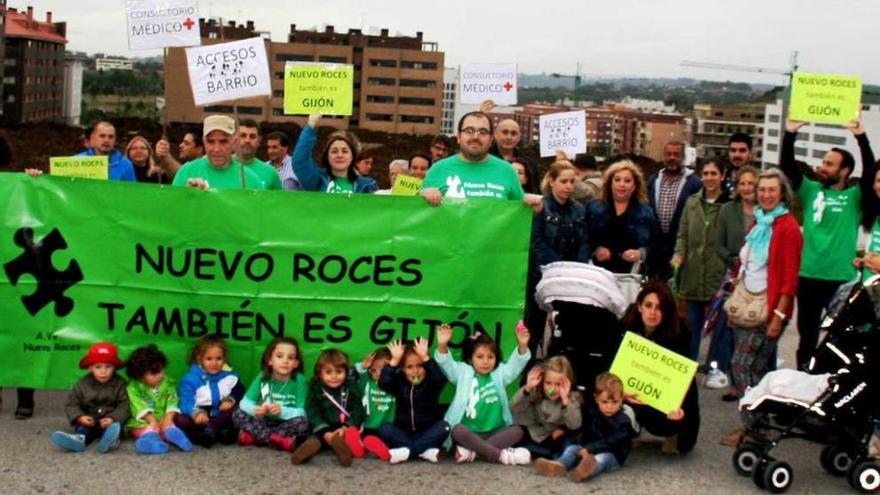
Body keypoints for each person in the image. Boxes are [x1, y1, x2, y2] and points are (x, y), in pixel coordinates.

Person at [782, 118, 875, 370]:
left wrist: (860, 136)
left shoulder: (854, 195)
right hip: (809, 275)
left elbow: (869, 173)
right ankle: (804, 379)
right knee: (807, 337)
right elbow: (788, 167)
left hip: (841, 279)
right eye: (823, 162)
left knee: (840, 338)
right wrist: (790, 133)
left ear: (844, 171)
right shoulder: (810, 190)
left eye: (829, 164)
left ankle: (830, 382)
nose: (822, 167)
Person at [722, 168, 803, 404]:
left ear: (782, 193)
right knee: (753, 370)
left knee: (741, 367)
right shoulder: (758, 223)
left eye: (772, 190)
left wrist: (778, 317)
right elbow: (744, 266)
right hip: (746, 303)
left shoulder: (788, 228)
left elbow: (790, 279)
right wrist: (734, 302)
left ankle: (754, 426)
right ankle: (756, 424)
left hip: (768, 309)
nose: (766, 195)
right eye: (762, 189)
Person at [435, 322, 532, 465]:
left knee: (518, 431)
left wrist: (522, 345)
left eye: (490, 357)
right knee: (456, 430)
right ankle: (499, 455)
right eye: (480, 357)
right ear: (470, 359)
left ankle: (473, 452)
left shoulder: (499, 373)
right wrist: (442, 345)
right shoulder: (462, 372)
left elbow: (514, 367)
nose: (486, 362)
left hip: (494, 431)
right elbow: (446, 364)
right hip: (468, 433)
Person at [622, 281, 700, 454]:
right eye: (648, 305)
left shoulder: (679, 331)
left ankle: (673, 433)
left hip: (662, 392)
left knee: (682, 440)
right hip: (634, 390)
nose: (652, 312)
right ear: (639, 306)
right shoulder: (626, 325)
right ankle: (631, 427)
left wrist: (676, 404)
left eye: (659, 307)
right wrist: (621, 393)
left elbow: (682, 375)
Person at [704, 165, 759, 389]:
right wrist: (735, 261)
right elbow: (719, 244)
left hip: (757, 277)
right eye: (742, 183)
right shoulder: (728, 210)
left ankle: (751, 378)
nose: (746, 188)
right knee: (724, 325)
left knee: (754, 325)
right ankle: (717, 369)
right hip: (733, 274)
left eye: (751, 183)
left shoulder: (765, 213)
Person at [420, 111, 541, 213]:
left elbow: (518, 215)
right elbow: (420, 215)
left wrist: (533, 208)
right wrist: (423, 197)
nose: (475, 137)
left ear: (491, 139)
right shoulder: (438, 169)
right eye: (469, 130)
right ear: (458, 136)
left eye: (483, 132)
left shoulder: (507, 171)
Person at [670, 159, 731, 360]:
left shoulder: (730, 205)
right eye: (705, 173)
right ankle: (690, 364)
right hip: (693, 275)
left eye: (714, 173)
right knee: (692, 326)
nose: (709, 178)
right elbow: (683, 235)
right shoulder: (692, 202)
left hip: (718, 277)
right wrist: (678, 254)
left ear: (722, 176)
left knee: (719, 329)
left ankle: (715, 367)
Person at [528, 161, 589, 350]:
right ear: (552, 181)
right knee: (534, 329)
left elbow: (585, 242)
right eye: (564, 181)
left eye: (572, 181)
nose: (569, 186)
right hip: (542, 278)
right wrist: (558, 267)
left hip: (571, 280)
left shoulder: (579, 209)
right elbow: (535, 241)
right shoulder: (541, 207)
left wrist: (578, 268)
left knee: (565, 331)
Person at [291, 349, 384, 466]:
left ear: (346, 372)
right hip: (323, 426)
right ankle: (309, 448)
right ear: (320, 373)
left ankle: (343, 451)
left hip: (344, 427)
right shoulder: (316, 389)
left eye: (339, 372)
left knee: (349, 437)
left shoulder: (351, 387)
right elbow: (312, 411)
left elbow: (358, 410)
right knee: (315, 437)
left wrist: (346, 427)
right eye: (328, 372)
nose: (334, 376)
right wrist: (325, 432)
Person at [377, 338, 450, 463]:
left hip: (427, 431)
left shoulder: (431, 382)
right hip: (403, 432)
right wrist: (394, 361)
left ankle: (407, 451)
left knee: (444, 427)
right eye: (409, 367)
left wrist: (425, 357)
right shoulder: (399, 381)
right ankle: (423, 451)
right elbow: (383, 383)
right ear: (403, 369)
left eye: (420, 366)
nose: (415, 371)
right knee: (384, 428)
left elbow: (440, 378)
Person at [50, 342, 129, 453]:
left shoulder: (121, 384)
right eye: (98, 367)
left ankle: (110, 440)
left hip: (108, 420)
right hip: (89, 419)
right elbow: (72, 404)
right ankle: (78, 441)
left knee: (115, 429)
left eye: (108, 367)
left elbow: (125, 405)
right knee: (82, 430)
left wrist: (113, 418)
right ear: (90, 368)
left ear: (114, 368)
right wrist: (79, 417)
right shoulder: (82, 384)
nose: (103, 371)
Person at [233, 337, 309, 451]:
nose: (285, 361)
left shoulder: (299, 380)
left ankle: (255, 437)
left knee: (303, 423)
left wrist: (282, 411)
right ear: (269, 360)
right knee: (237, 414)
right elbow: (245, 403)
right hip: (263, 420)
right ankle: (276, 440)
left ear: (296, 363)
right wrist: (254, 409)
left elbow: (302, 412)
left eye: (291, 357)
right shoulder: (263, 377)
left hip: (286, 423)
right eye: (279, 356)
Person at [511, 356, 582, 473]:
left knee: (569, 446)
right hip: (538, 435)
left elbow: (575, 425)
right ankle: (489, 448)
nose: (552, 389)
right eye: (548, 383)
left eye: (558, 385)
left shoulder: (573, 398)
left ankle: (560, 464)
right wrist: (527, 389)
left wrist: (565, 402)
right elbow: (514, 408)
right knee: (514, 431)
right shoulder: (536, 392)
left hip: (558, 439)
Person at [585, 160, 657, 274]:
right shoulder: (593, 208)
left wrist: (641, 253)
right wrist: (595, 250)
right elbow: (583, 238)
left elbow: (655, 243)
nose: (622, 184)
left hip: (631, 275)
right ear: (610, 184)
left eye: (627, 181)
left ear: (634, 186)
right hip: (597, 273)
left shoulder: (646, 212)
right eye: (617, 180)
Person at [565, 373, 638, 482]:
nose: (609, 406)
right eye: (604, 402)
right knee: (572, 449)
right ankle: (560, 464)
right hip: (589, 448)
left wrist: (589, 449)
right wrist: (584, 447)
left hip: (613, 454)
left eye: (614, 402)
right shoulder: (592, 411)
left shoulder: (623, 420)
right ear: (596, 399)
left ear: (621, 400)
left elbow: (611, 441)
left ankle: (585, 472)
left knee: (601, 459)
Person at [175, 336, 244, 448]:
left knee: (240, 410)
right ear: (199, 359)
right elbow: (185, 402)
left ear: (224, 359)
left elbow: (239, 392)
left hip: (221, 414)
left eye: (219, 358)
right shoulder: (190, 379)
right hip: (200, 414)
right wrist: (196, 413)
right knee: (179, 419)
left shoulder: (229, 376)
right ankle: (211, 433)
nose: (214, 363)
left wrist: (230, 400)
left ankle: (212, 430)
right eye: (209, 359)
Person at [648, 141, 703, 279]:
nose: (672, 158)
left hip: (680, 246)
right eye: (668, 154)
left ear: (683, 157)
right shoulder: (653, 180)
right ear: (663, 156)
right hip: (655, 246)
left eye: (676, 154)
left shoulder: (694, 183)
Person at [125, 344, 192, 454]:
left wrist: (168, 419)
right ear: (140, 375)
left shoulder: (168, 382)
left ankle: (178, 438)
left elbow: (172, 400)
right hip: (144, 421)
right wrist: (153, 422)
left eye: (161, 370)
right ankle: (152, 442)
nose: (159, 375)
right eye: (153, 373)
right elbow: (138, 405)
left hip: (164, 417)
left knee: (170, 427)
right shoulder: (133, 388)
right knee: (143, 430)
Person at [171, 115, 267, 190]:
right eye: (211, 141)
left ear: (234, 143)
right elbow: (175, 210)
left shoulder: (250, 180)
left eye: (223, 141)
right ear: (204, 142)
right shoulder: (186, 172)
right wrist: (188, 194)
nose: (216, 149)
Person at [292, 113, 378, 194]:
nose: (339, 155)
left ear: (352, 156)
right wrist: (311, 126)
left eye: (345, 151)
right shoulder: (318, 180)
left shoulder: (367, 186)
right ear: (327, 156)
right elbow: (300, 161)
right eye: (334, 151)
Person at [356, 348, 397, 438]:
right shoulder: (367, 381)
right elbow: (355, 375)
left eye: (382, 369)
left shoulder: (395, 382)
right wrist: (363, 367)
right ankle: (362, 446)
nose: (378, 373)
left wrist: (393, 366)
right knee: (367, 439)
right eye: (373, 370)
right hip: (370, 427)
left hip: (390, 428)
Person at [237, 119, 282, 190]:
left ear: (259, 140)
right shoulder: (221, 168)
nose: (247, 140)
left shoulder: (271, 173)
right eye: (243, 135)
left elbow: (278, 200)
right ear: (234, 138)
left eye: (252, 136)